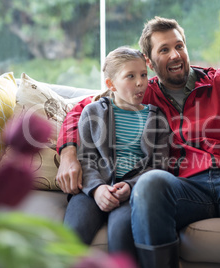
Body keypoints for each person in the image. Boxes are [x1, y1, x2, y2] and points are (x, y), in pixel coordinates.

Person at [57, 17, 220, 268]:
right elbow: (84, 109)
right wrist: (68, 154)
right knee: (150, 182)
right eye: (164, 50)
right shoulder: (144, 90)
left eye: (179, 46)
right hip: (185, 185)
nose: (175, 55)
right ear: (150, 61)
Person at [63, 46, 170, 261]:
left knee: (121, 235)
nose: (140, 82)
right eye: (130, 76)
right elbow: (86, 159)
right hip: (92, 190)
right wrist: (96, 189)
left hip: (131, 192)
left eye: (143, 75)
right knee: (71, 237)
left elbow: (159, 165)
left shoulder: (157, 118)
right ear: (111, 84)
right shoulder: (92, 112)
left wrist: (130, 187)